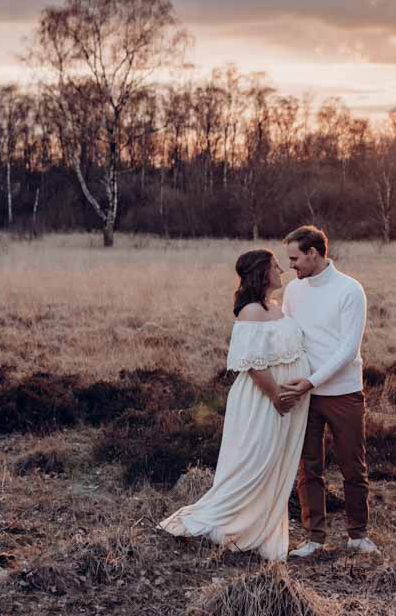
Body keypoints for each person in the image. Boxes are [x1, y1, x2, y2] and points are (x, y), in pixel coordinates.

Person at [158, 249, 310, 562]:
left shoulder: (276, 307)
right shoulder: (251, 312)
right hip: (261, 401)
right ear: (261, 272)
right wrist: (277, 396)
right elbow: (252, 364)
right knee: (254, 463)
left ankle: (259, 527)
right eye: (275, 265)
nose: (281, 268)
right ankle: (225, 523)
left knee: (275, 466)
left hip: (286, 403)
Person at [278, 225, 378, 557]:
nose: (291, 266)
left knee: (352, 464)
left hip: (343, 392)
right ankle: (313, 538)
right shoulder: (293, 291)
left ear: (314, 253)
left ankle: (357, 534)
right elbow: (289, 336)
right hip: (305, 394)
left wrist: (312, 380)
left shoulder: (350, 290)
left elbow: (348, 349)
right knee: (309, 466)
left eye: (295, 258)